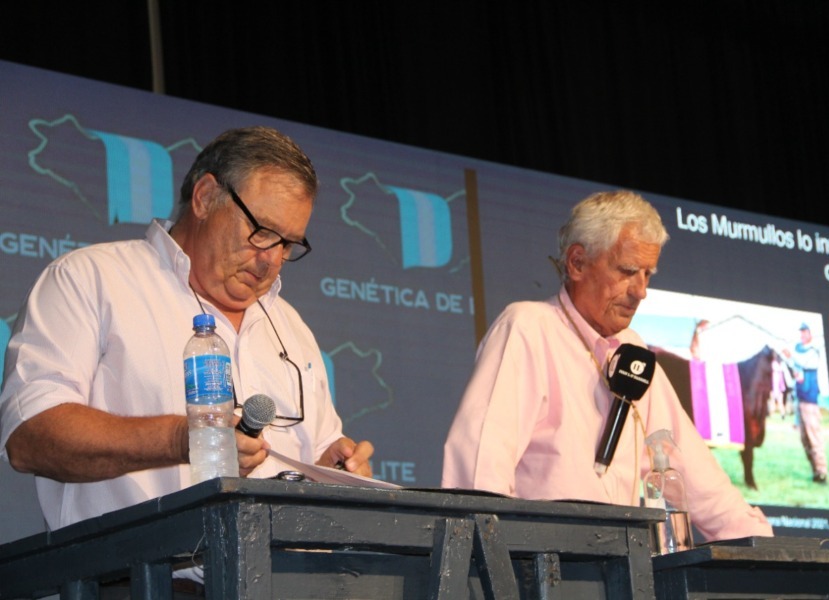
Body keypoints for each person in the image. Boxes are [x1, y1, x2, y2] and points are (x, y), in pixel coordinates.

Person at [0, 126, 374, 531]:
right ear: (205, 197)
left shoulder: (290, 324)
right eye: (262, 231)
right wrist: (184, 439)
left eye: (287, 244)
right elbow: (29, 435)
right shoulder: (90, 280)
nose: (271, 259)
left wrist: (331, 470)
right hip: (136, 567)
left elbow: (321, 450)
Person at [442, 190, 773, 542]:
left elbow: (695, 473)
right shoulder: (528, 327)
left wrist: (766, 547)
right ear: (577, 263)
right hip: (538, 564)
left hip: (621, 567)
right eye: (628, 271)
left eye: (648, 274)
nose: (641, 291)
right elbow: (479, 470)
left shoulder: (634, 352)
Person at [789, 323, 828, 483]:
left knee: (814, 437)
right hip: (800, 398)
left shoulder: (814, 350)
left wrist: (790, 356)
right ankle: (815, 471)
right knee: (804, 439)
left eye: (805, 332)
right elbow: (795, 369)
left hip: (810, 400)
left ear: (810, 333)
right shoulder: (797, 349)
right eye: (801, 332)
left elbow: (805, 363)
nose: (802, 335)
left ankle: (822, 471)